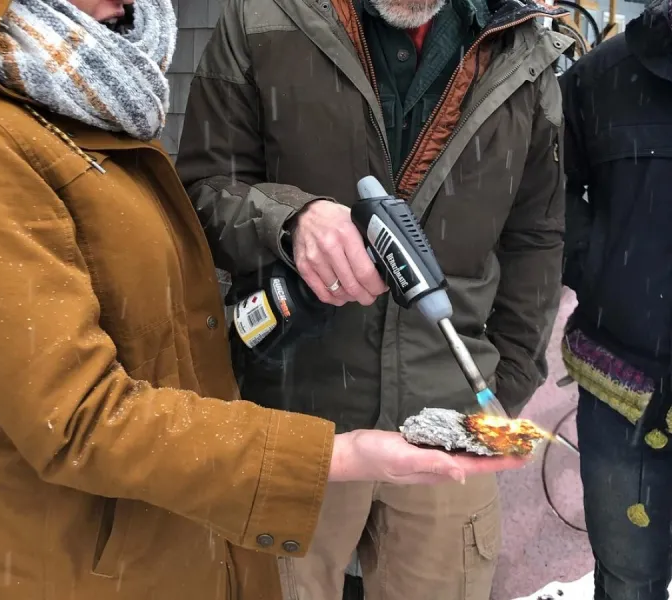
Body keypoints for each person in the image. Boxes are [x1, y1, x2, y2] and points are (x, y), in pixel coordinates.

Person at [0, 0, 529, 599]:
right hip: (61, 559)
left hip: (166, 522)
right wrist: (338, 454)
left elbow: (536, 241)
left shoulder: (96, 104)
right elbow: (75, 421)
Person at [175, 0, 571, 598]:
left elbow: (535, 237)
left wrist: (509, 378)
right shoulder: (262, 17)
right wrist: (287, 221)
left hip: (451, 420)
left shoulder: (524, 51)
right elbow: (200, 193)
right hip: (291, 419)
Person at [559, 1, 672, 598]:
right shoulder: (601, 77)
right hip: (622, 393)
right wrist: (595, 262)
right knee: (630, 581)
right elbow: (547, 188)